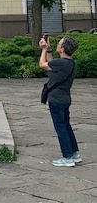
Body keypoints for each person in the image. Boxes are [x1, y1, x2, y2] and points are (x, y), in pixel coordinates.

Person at [39, 34, 80, 167]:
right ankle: (74, 153)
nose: (57, 44)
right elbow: (52, 67)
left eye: (59, 43)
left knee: (60, 128)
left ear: (62, 49)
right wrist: (50, 50)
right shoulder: (71, 63)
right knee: (66, 125)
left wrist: (44, 49)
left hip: (56, 100)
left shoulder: (61, 63)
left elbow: (43, 65)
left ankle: (67, 157)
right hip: (65, 98)